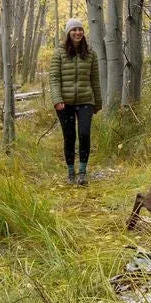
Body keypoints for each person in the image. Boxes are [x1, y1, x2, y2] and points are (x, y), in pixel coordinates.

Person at [48, 18, 101, 185]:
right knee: (69, 136)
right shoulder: (59, 53)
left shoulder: (91, 53)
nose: (77, 33)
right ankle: (71, 171)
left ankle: (83, 171)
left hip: (86, 100)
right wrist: (57, 99)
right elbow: (54, 78)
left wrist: (97, 102)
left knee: (84, 134)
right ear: (68, 33)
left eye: (80, 29)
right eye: (74, 30)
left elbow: (95, 80)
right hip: (65, 103)